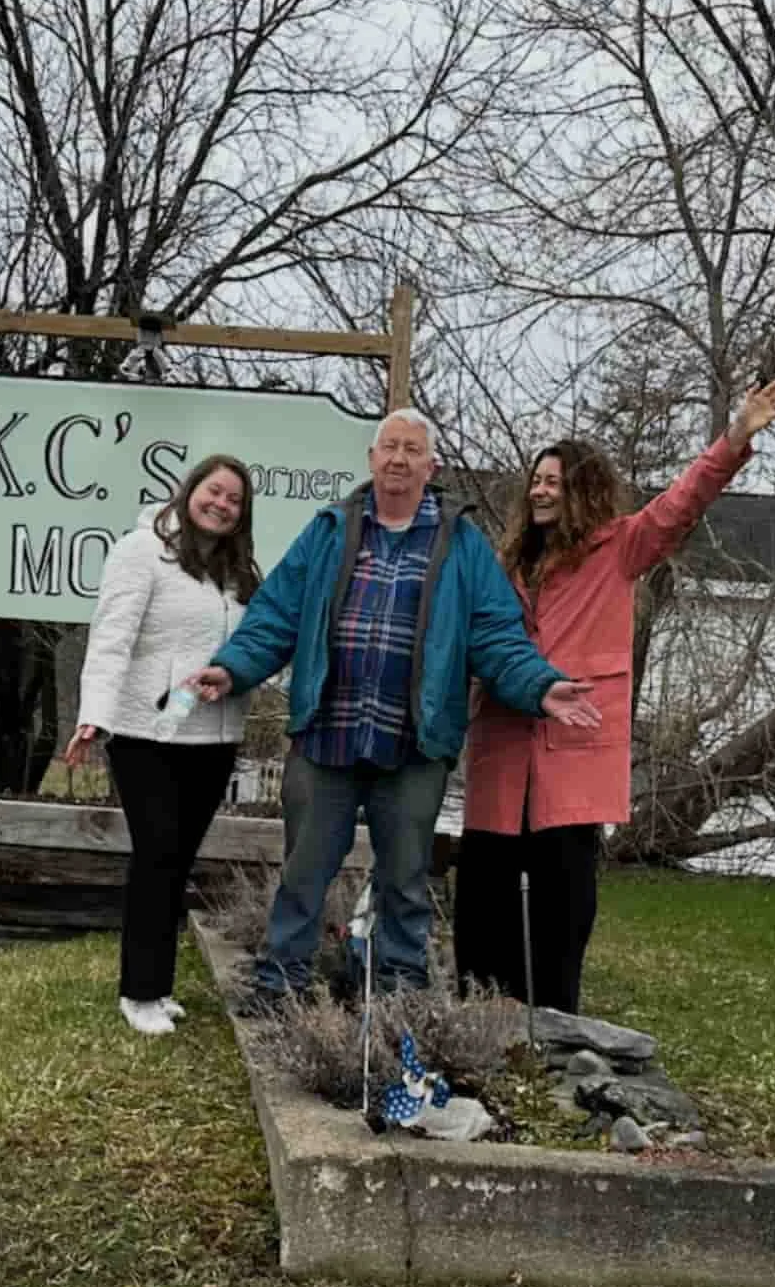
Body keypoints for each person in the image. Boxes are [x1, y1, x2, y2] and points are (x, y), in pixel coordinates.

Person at [188, 410, 603, 1003]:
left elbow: (497, 637)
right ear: (372, 459)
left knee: (405, 882)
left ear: (431, 466)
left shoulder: (463, 545)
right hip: (326, 738)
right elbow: (275, 614)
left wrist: (540, 685)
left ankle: (399, 997)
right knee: (304, 876)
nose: (400, 458)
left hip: (415, 746)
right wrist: (232, 667)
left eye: (413, 449)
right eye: (390, 447)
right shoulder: (329, 531)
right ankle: (281, 985)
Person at [456, 377, 775, 1014]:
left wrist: (734, 439)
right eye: (536, 479)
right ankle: (473, 1025)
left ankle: (555, 1036)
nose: (541, 490)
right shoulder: (501, 566)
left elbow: (680, 506)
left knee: (561, 919)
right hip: (500, 758)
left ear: (582, 491)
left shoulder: (617, 551)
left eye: (555, 481)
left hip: (572, 764)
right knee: (482, 912)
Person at [67, 455, 260, 1036]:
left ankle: (161, 985)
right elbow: (111, 639)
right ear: (190, 490)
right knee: (156, 854)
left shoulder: (241, 573)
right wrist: (93, 717)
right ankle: (139, 992)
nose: (221, 504)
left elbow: (263, 642)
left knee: (177, 861)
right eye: (214, 491)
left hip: (213, 735)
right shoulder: (140, 551)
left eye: (234, 500)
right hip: (147, 733)